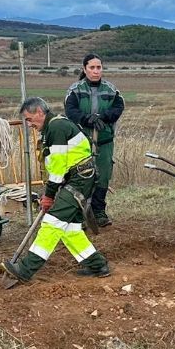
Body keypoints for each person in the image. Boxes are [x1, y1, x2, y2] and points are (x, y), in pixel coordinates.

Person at [2, 96, 111, 284]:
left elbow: (58, 166)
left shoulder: (56, 127)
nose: (28, 125)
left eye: (29, 119)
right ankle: (97, 265)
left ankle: (25, 270)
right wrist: (51, 191)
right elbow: (58, 166)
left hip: (79, 179)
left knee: (52, 223)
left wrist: (49, 194)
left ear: (39, 112)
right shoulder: (52, 127)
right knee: (70, 229)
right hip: (77, 179)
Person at [63, 54, 124, 227]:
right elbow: (71, 111)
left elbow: (118, 108)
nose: (96, 71)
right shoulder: (75, 90)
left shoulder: (111, 90)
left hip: (104, 142)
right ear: (84, 69)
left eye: (99, 68)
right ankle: (79, 215)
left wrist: (103, 117)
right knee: (81, 176)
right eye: (92, 68)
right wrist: (87, 119)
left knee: (103, 176)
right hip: (81, 142)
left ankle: (98, 212)